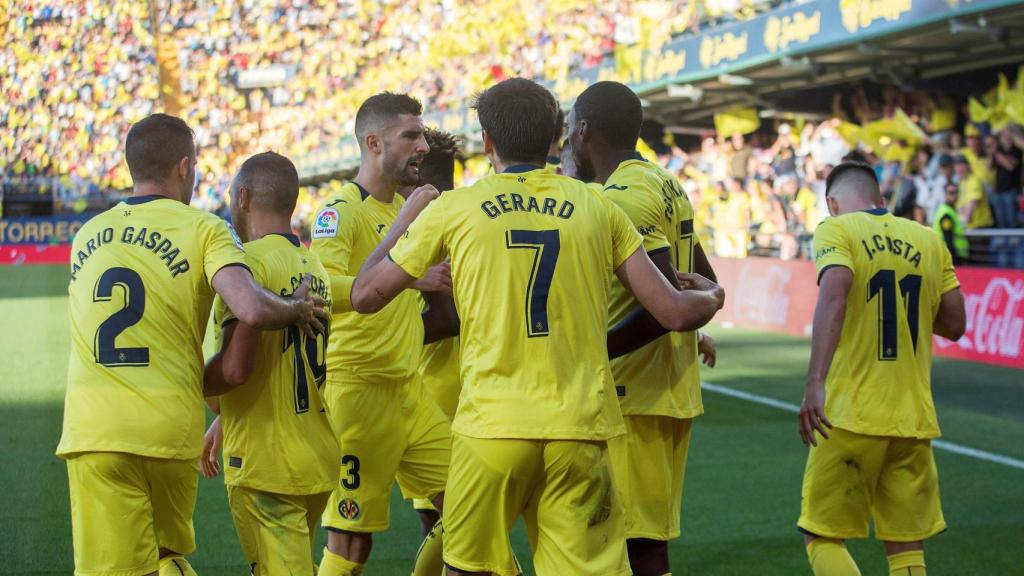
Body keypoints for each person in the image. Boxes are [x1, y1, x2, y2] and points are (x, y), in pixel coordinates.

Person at [348, 77, 724, 576]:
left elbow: (364, 295)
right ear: (554, 138)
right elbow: (674, 312)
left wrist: (405, 219)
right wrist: (714, 295)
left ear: (487, 142)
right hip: (581, 428)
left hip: (491, 429)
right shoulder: (600, 206)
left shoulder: (455, 209)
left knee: (466, 567)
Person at [56, 114, 328, 576]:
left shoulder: (86, 235)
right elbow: (254, 308)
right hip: (169, 428)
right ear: (185, 167)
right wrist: (297, 310)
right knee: (166, 557)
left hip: (95, 427)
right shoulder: (205, 229)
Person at [567, 80, 720, 576]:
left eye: (570, 128)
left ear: (585, 130)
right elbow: (704, 280)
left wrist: (592, 350)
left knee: (632, 543)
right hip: (663, 387)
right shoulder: (663, 180)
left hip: (633, 391)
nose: (567, 140)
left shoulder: (625, 195)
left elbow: (665, 306)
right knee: (642, 538)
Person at [310, 93, 457, 576]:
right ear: (374, 143)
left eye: (422, 134)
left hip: (409, 391)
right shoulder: (341, 210)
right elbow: (321, 290)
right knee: (351, 544)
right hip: (358, 391)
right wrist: (405, 246)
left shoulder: (403, 205)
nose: (422, 145)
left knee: (469, 504)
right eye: (410, 136)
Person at [798, 161, 966, 576]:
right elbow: (956, 324)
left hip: (852, 413)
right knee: (906, 547)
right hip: (913, 418)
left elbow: (833, 297)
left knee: (820, 535)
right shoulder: (929, 239)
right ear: (881, 199)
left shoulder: (835, 229)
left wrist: (815, 381)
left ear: (832, 203)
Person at [196, 152, 338, 575]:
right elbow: (282, 359)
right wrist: (225, 421)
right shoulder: (316, 267)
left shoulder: (247, 266)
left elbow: (236, 371)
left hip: (267, 466)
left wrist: (185, 380)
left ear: (243, 197)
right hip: (315, 452)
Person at [953, 155, 994, 229]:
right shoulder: (962, 182)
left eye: (961, 166)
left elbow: (973, 202)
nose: (959, 169)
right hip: (971, 226)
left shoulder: (974, 180)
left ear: (968, 166)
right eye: (957, 166)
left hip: (980, 225)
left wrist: (964, 222)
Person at [933, 181, 969, 264]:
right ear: (945, 195)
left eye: (956, 192)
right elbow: (948, 238)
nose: (955, 195)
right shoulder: (946, 214)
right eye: (951, 193)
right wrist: (954, 259)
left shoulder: (952, 211)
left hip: (955, 256)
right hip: (952, 258)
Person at [992, 129, 1022, 228]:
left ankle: (1013, 242)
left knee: (1011, 220)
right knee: (1001, 221)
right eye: (1004, 136)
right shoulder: (999, 150)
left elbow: (1010, 166)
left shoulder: (1017, 150)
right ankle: (1003, 243)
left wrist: (998, 156)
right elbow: (989, 167)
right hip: (998, 190)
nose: (1006, 138)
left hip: (1011, 190)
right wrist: (994, 152)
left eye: (1008, 135)